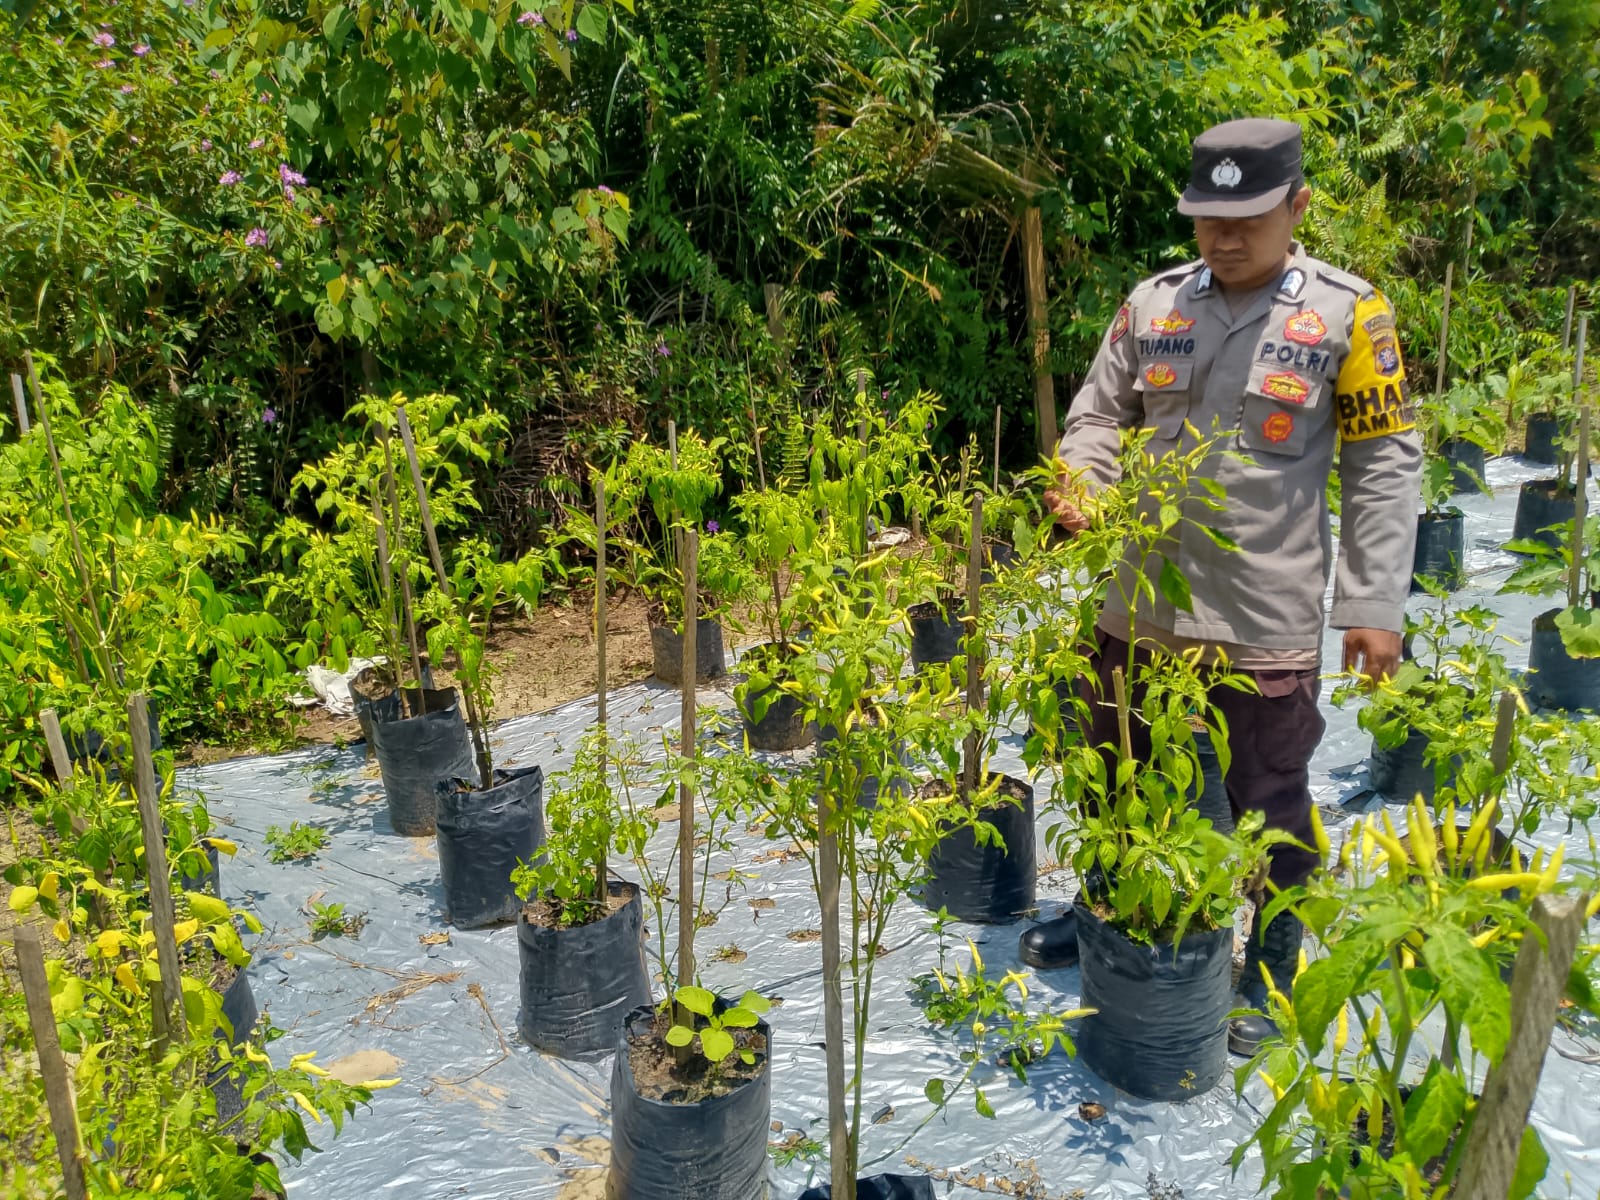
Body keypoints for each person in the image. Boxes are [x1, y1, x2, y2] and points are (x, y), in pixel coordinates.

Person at [1016, 118, 1422, 1057]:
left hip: (1261, 614)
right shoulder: (1155, 304)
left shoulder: (1350, 317)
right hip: (1138, 605)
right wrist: (1085, 471)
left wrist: (1372, 607)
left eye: (1248, 217)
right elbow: (1098, 409)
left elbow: (1384, 466)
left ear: (1299, 207)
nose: (1224, 236)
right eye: (1207, 218)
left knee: (1266, 794)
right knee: (1117, 763)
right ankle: (1114, 903)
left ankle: (1274, 952)